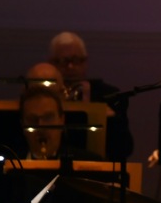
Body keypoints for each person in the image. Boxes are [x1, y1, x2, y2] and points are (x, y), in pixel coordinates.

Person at [0, 86, 104, 203]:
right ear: (22, 123)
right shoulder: (1, 170)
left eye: (48, 118)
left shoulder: (87, 165)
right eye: (33, 119)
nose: (40, 126)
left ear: (62, 119)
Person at [49, 31, 134, 162]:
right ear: (52, 63)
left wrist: (111, 121)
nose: (70, 66)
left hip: (98, 169)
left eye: (76, 60)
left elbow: (125, 149)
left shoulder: (109, 95)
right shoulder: (43, 95)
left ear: (85, 62)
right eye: (63, 61)